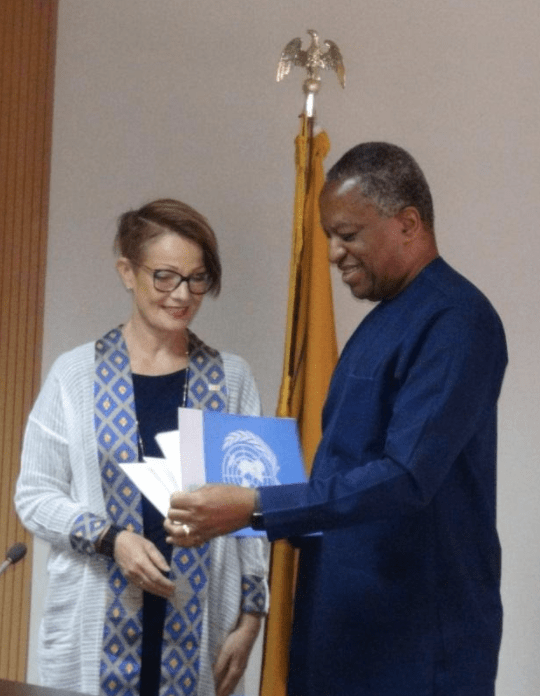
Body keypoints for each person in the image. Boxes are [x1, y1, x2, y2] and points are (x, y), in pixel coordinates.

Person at [164, 143, 508, 696]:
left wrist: (256, 504)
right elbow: (345, 463)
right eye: (328, 235)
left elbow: (405, 476)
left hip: (415, 644)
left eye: (348, 234)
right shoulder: (382, 322)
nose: (333, 253)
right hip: (344, 627)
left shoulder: (456, 321)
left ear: (407, 223)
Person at [15, 199, 269, 696]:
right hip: (94, 624)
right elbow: (35, 495)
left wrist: (252, 617)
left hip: (202, 627)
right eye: (165, 277)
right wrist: (113, 540)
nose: (182, 295)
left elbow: (256, 510)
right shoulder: (75, 375)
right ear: (127, 272)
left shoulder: (231, 379)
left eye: (197, 279)